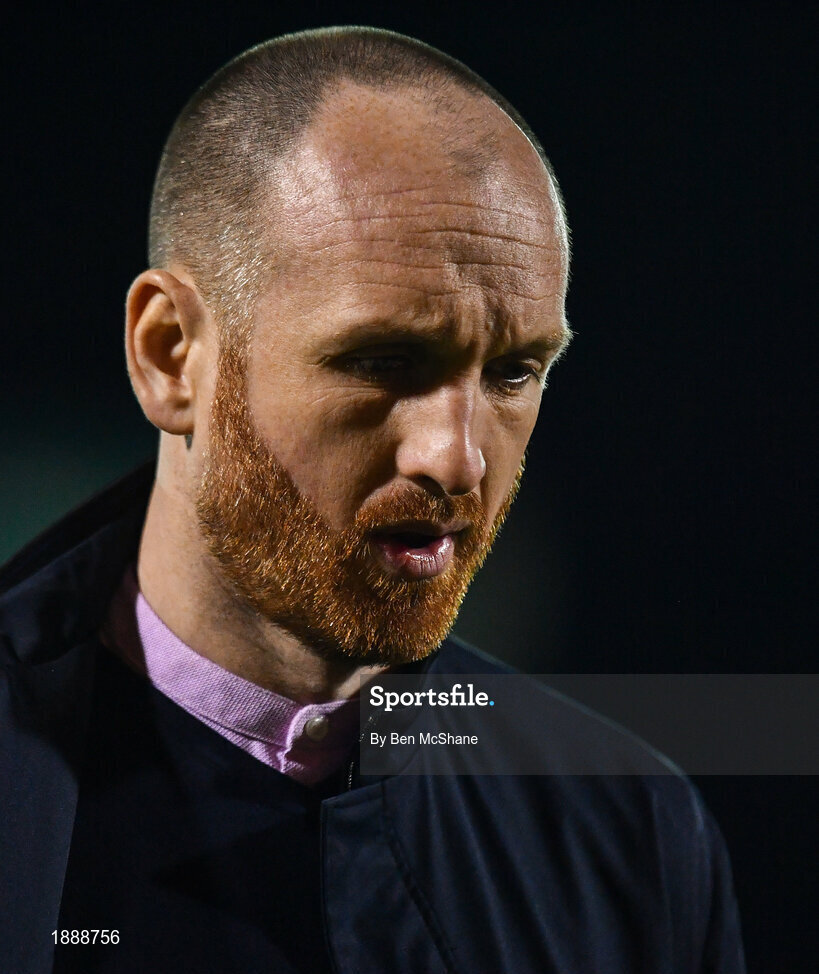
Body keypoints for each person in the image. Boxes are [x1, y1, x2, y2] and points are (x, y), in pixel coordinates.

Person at [0, 26, 745, 974]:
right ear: (169, 355)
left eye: (515, 372)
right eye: (383, 361)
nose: (457, 459)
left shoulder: (630, 838)